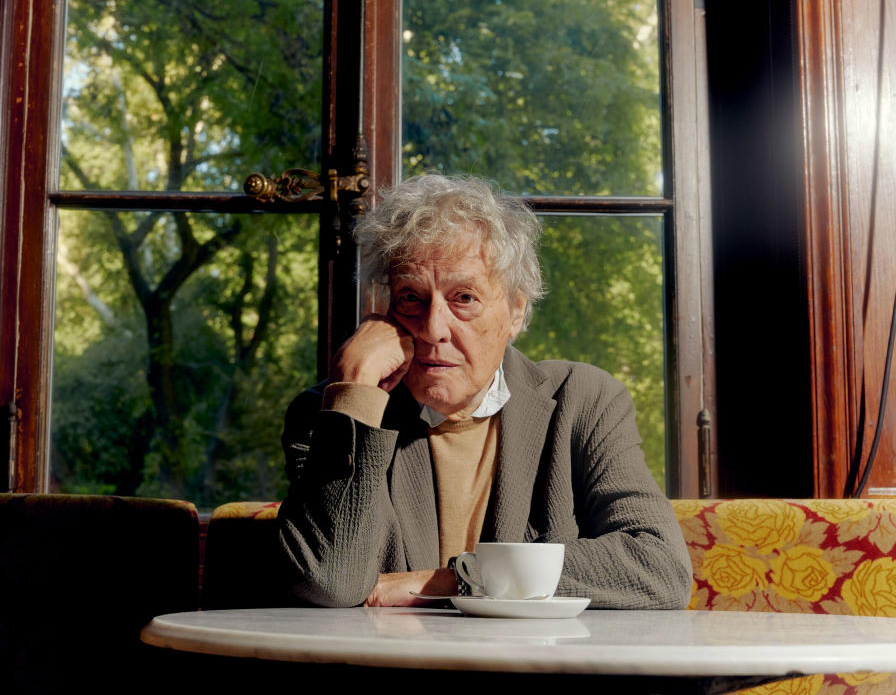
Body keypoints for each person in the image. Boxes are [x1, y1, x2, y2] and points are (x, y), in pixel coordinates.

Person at [276, 174, 692, 609]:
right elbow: (330, 582)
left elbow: (659, 567)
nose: (433, 329)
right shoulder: (329, 412)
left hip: (540, 672)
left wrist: (456, 580)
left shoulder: (584, 401)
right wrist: (355, 395)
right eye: (412, 298)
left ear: (515, 310)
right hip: (392, 673)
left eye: (464, 298)